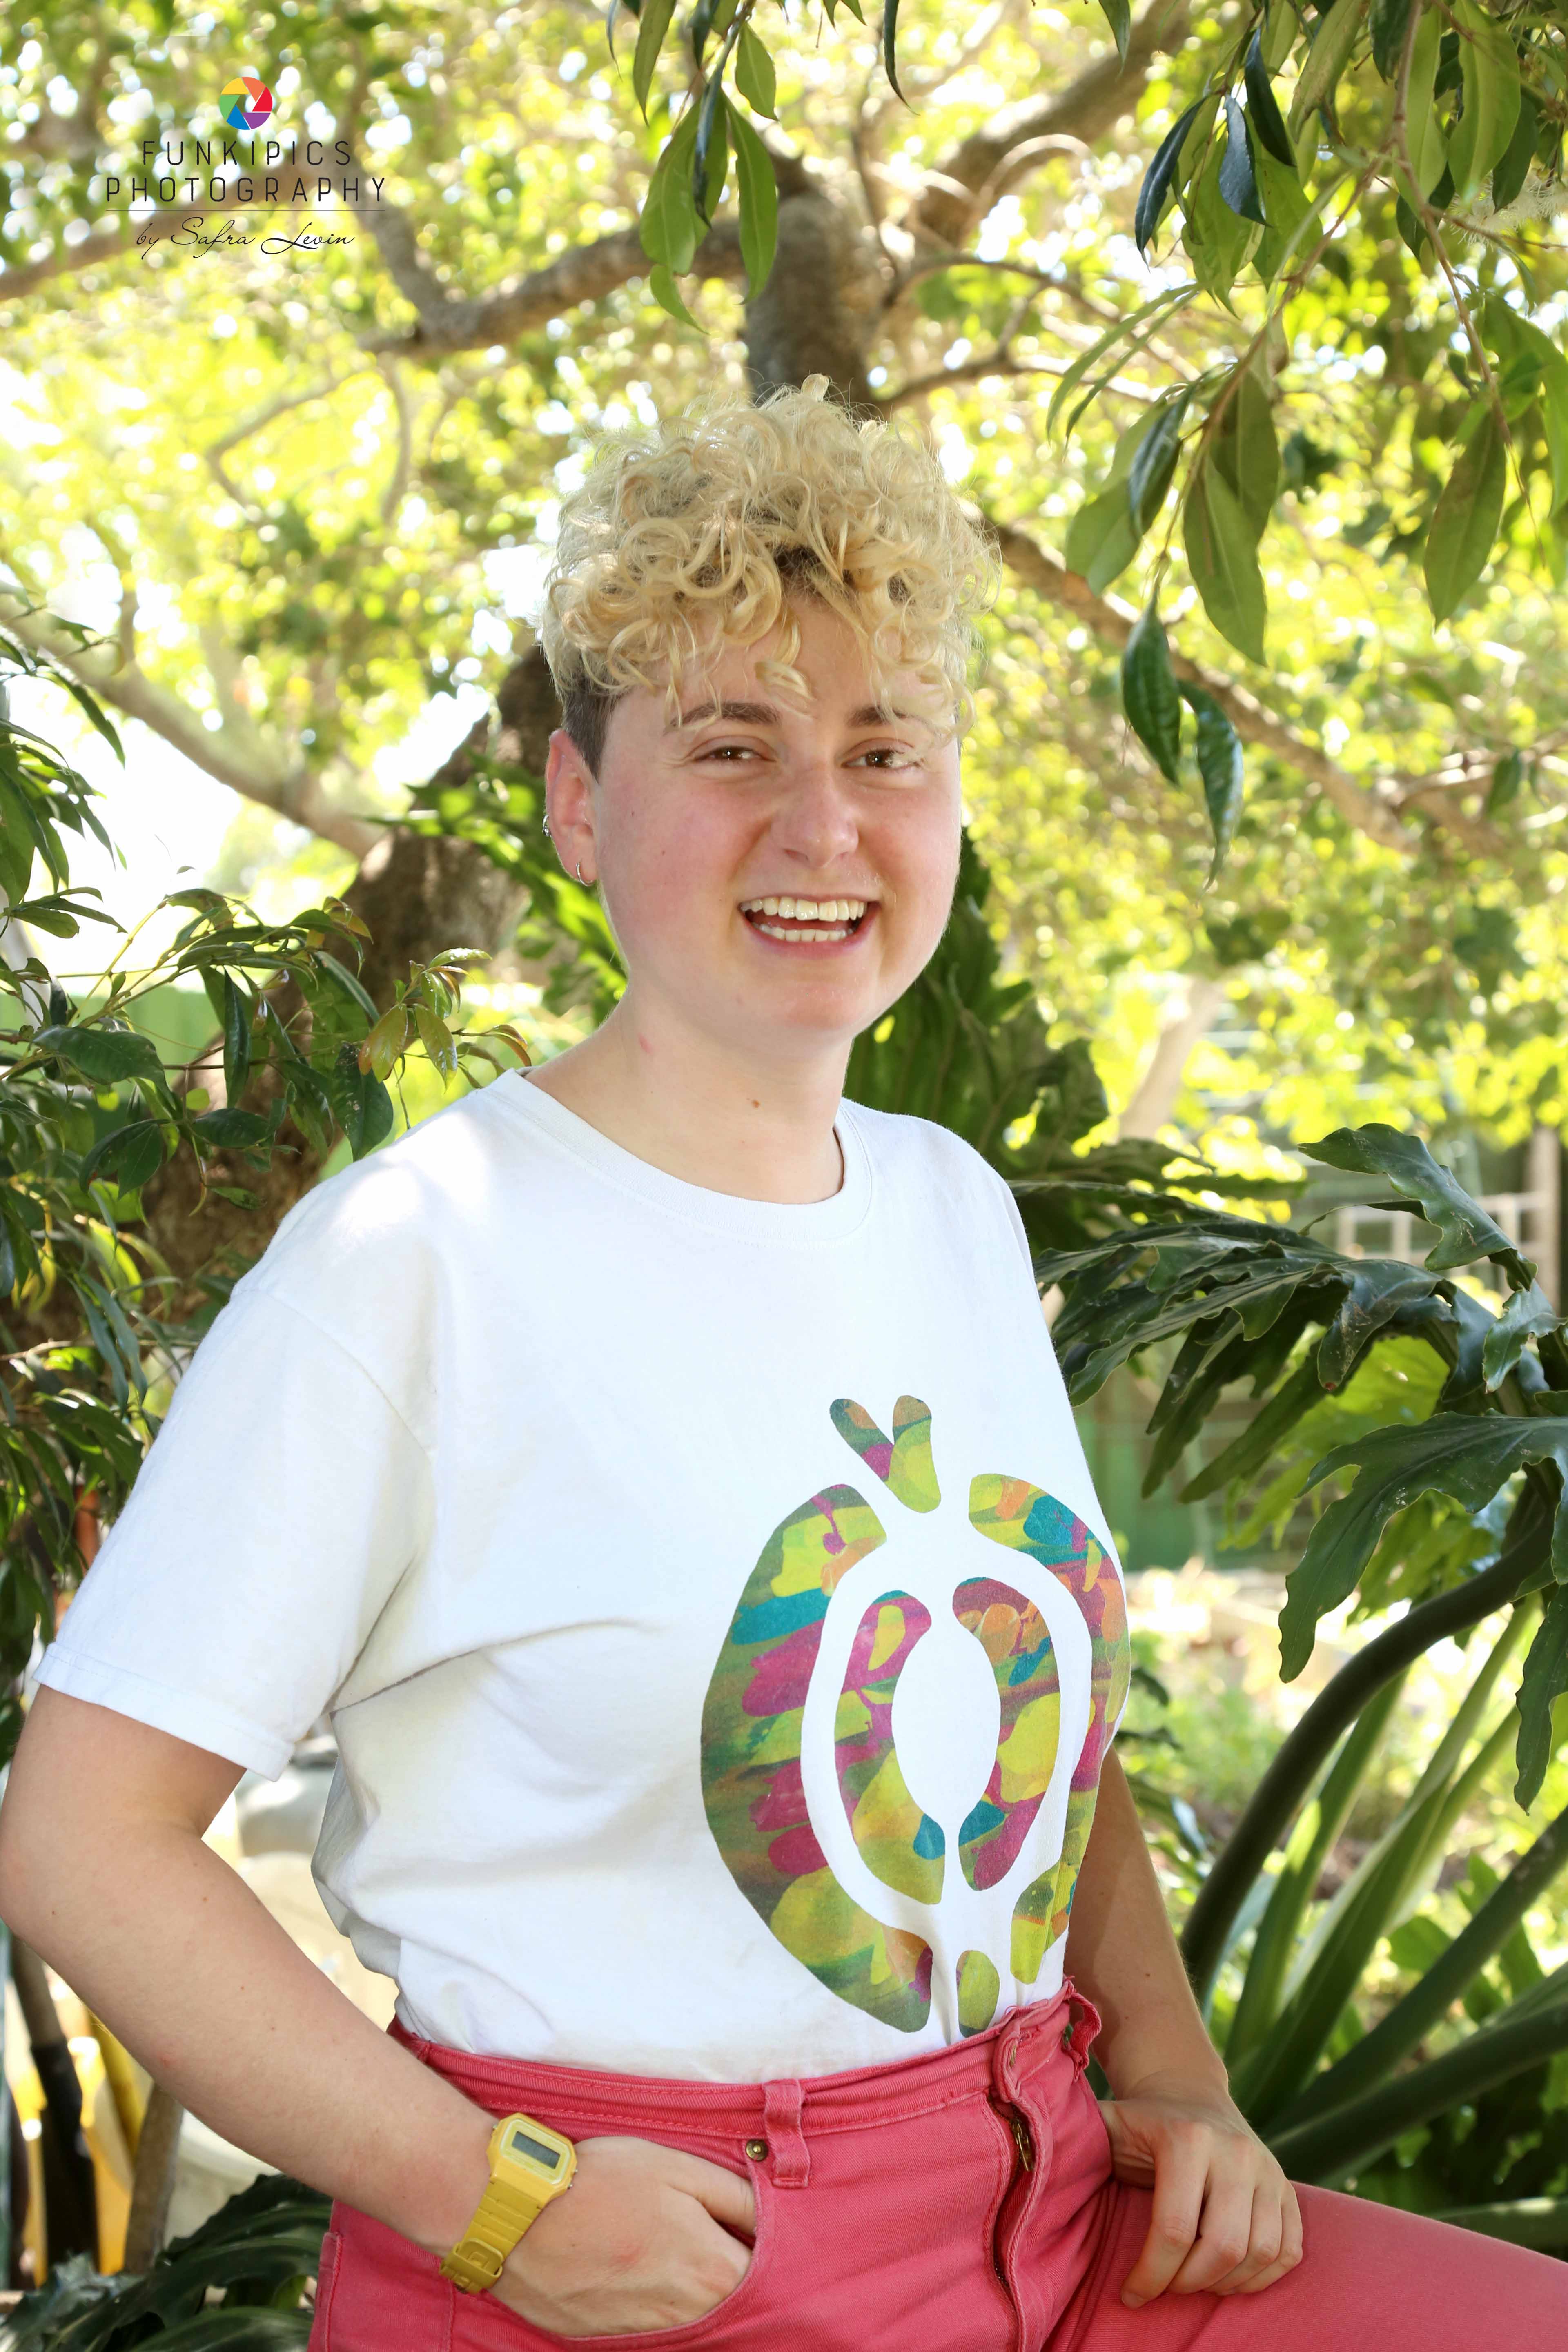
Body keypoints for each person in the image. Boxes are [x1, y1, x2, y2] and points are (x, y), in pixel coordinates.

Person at [0, 378, 1563, 2352]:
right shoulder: (418, 1262)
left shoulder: (947, 1208)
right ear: (581, 804)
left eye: (884, 750)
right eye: (732, 744)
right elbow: (83, 1841)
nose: (822, 825)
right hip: (652, 2266)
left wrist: (1174, 2077)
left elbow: (1041, 1726)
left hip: (1059, 2205)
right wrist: (492, 2206)